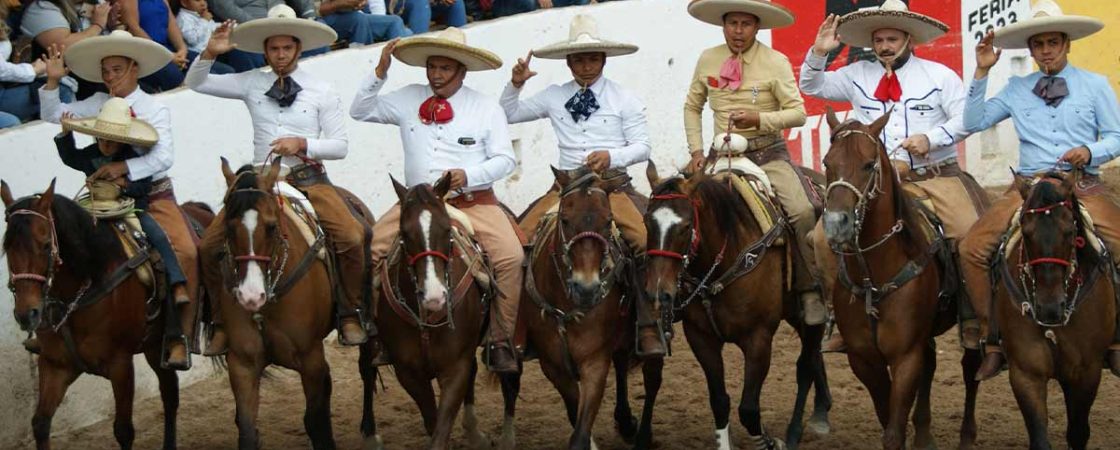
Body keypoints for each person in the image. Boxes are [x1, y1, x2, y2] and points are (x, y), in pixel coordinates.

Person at [799, 0, 989, 352]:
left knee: (966, 234)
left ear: (908, 39)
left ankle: (972, 318)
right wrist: (818, 52)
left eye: (891, 38)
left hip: (935, 177)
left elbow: (965, 120)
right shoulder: (856, 75)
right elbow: (812, 87)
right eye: (879, 39)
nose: (884, 46)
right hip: (873, 182)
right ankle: (839, 316)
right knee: (823, 239)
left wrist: (929, 139)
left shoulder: (940, 76)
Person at [187, 4, 370, 353]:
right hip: (259, 183)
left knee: (350, 235)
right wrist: (209, 52)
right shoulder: (251, 81)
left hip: (309, 179)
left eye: (287, 48)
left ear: (298, 48)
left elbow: (340, 146)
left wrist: (303, 144)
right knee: (209, 246)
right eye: (274, 48)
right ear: (265, 50)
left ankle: (350, 312)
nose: (280, 55)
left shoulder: (322, 89)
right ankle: (220, 324)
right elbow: (196, 83)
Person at [960, 0, 1120, 380]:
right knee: (971, 249)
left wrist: (1090, 150)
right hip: (1029, 186)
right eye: (1039, 44)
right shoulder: (1017, 87)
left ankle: (1115, 338)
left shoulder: (1095, 85)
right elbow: (974, 121)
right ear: (1030, 50)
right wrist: (982, 72)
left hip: (1081, 183)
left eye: (1053, 42)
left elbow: (1117, 137)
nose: (1046, 50)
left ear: (1066, 43)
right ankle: (992, 336)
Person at [349, 29, 524, 372]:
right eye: (433, 67)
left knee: (511, 258)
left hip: (473, 202)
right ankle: (378, 332)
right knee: (368, 250)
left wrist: (468, 174)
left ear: (462, 70)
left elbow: (506, 160)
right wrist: (380, 71)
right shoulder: (407, 97)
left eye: (445, 68)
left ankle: (500, 339)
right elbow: (360, 110)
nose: (437, 75)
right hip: (417, 203)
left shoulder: (486, 107)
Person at [502, 14, 662, 356]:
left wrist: (612, 155)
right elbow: (508, 114)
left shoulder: (624, 98)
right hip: (566, 190)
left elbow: (643, 146)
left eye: (592, 58)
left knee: (645, 242)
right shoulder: (553, 95)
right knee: (517, 242)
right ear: (569, 62)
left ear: (603, 60)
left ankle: (648, 324)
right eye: (578, 59)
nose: (585, 66)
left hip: (612, 188)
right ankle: (519, 331)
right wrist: (515, 84)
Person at [38, 30, 198, 368]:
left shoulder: (154, 108)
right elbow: (57, 116)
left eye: (117, 70)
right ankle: (51, 326)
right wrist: (52, 84)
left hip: (152, 194)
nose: (110, 77)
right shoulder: (98, 103)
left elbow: (163, 158)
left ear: (134, 69)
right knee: (62, 242)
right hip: (103, 195)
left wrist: (122, 165)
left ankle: (179, 334)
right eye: (106, 71)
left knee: (187, 250)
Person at [683, 0, 826, 326]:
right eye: (732, 23)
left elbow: (798, 113)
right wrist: (695, 152)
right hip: (722, 156)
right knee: (682, 211)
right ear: (723, 24)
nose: (738, 30)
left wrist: (759, 118)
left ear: (757, 26)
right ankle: (683, 288)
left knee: (803, 210)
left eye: (745, 24)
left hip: (768, 154)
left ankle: (809, 288)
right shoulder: (708, 58)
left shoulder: (775, 61)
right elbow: (692, 106)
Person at [175, 0, 236, 72]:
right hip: (200, 55)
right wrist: (204, 20)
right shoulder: (183, 18)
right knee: (227, 71)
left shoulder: (201, 14)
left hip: (214, 51)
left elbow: (213, 28)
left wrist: (229, 27)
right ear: (184, 3)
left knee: (239, 47)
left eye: (204, 0)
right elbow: (192, 39)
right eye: (198, 0)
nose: (203, 3)